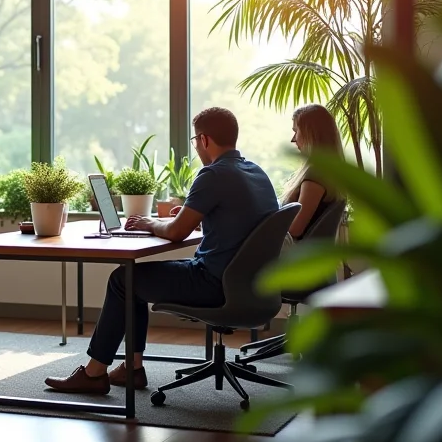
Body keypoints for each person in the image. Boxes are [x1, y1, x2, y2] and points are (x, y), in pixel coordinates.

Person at [44, 107, 278, 395]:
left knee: (123, 280)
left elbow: (177, 232)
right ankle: (131, 369)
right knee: (132, 279)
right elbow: (240, 222)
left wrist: (149, 223)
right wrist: (195, 215)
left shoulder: (213, 174)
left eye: (195, 141)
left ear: (204, 140)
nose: (196, 147)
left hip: (213, 284)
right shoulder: (257, 173)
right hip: (253, 287)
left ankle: (94, 374)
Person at [282, 104, 343, 242]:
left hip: (295, 251)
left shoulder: (316, 175)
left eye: (296, 131)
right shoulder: (329, 171)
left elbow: (295, 230)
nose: (293, 139)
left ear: (311, 134)